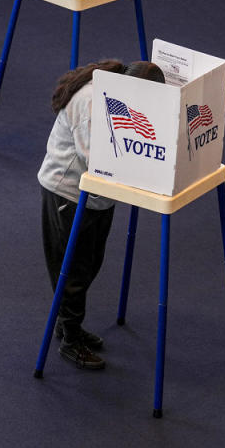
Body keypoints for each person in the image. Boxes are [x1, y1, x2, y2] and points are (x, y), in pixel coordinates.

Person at [38, 59, 166, 370]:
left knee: (90, 263)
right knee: (73, 271)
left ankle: (66, 324)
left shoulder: (119, 93)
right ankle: (70, 341)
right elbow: (95, 157)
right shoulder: (92, 102)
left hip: (98, 197)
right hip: (67, 193)